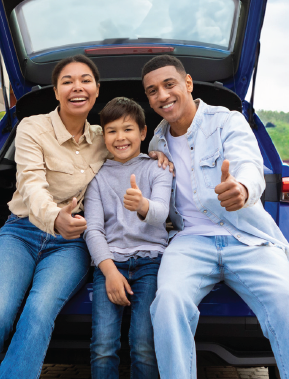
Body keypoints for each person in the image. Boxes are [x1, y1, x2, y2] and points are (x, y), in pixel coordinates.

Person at [0, 55, 170, 379]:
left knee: (39, 312)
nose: (77, 87)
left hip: (70, 244)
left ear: (96, 90)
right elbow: (31, 182)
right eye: (67, 81)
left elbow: (130, 139)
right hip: (22, 232)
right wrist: (55, 217)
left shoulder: (104, 136)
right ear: (56, 91)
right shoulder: (32, 127)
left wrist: (156, 150)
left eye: (85, 80)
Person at [141, 55, 289, 379]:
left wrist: (241, 187)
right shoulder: (157, 140)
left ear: (187, 83)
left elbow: (248, 164)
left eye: (169, 85)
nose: (162, 95)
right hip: (190, 242)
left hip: (248, 238)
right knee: (167, 302)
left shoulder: (226, 121)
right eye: (152, 90)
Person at [83, 97, 172, 379]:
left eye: (128, 129)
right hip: (110, 264)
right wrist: (108, 271)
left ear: (143, 133)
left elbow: (160, 212)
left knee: (144, 344)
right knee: (103, 346)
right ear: (103, 135)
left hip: (151, 263)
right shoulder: (96, 177)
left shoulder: (158, 168)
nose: (120, 137)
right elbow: (93, 229)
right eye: (111, 131)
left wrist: (142, 205)